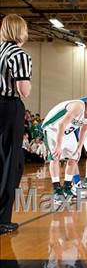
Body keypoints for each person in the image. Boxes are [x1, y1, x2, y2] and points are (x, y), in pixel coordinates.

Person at [0, 14, 32, 235]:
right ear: (21, 31)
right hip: (9, 106)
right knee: (12, 163)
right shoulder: (19, 55)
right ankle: (3, 219)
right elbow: (24, 91)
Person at [42, 96, 87, 204]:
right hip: (52, 128)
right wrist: (58, 145)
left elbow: (84, 132)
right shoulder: (78, 106)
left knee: (74, 157)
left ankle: (67, 187)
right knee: (55, 157)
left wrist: (79, 149)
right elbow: (62, 124)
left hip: (66, 132)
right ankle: (57, 190)